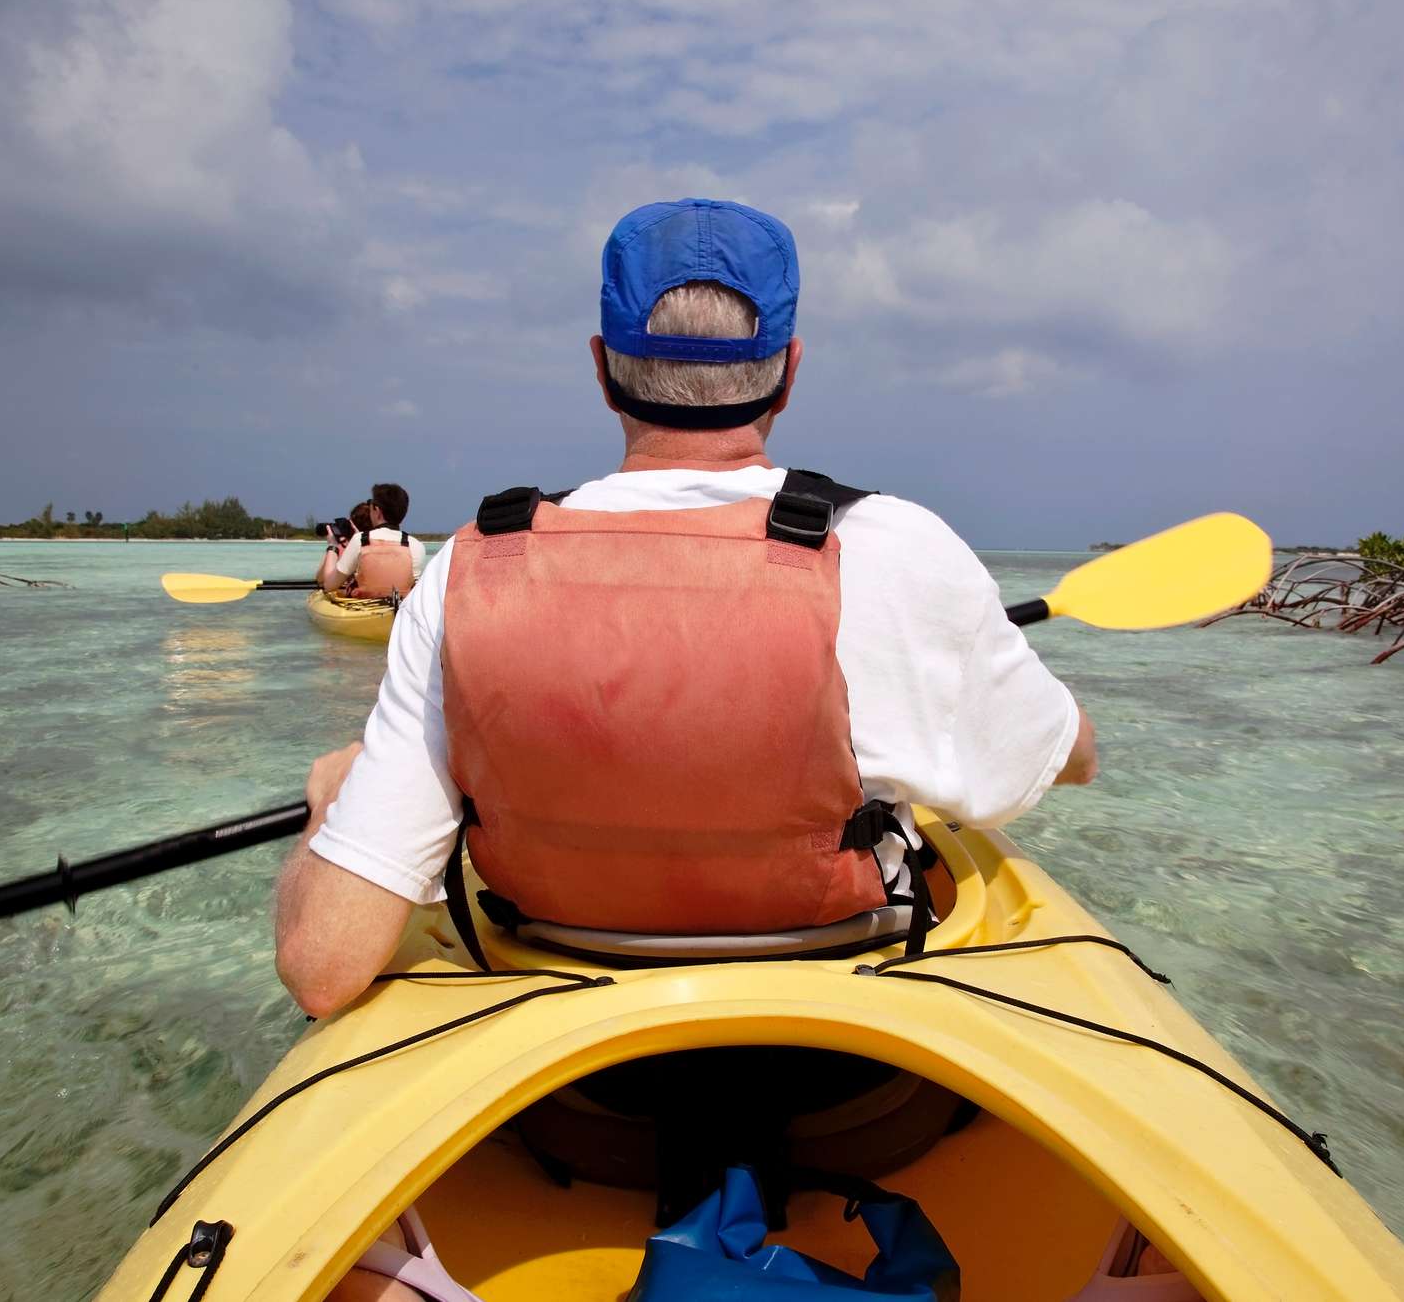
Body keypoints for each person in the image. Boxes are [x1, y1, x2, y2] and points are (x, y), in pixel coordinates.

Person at [281, 198, 1098, 1302]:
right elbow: (1062, 759)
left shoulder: (471, 571)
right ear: (790, 366)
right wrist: (1014, 688)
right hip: (849, 1082)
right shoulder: (893, 548)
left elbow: (325, 967)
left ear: (601, 365)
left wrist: (334, 805)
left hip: (573, 1090)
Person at [321, 483, 427, 599]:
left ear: (377, 509)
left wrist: (332, 546)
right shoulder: (416, 546)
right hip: (397, 609)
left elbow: (329, 585)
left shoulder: (359, 540)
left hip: (362, 610)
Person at [314, 500, 377, 589]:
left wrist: (332, 547)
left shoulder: (341, 547)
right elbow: (320, 578)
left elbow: (322, 580)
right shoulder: (381, 545)